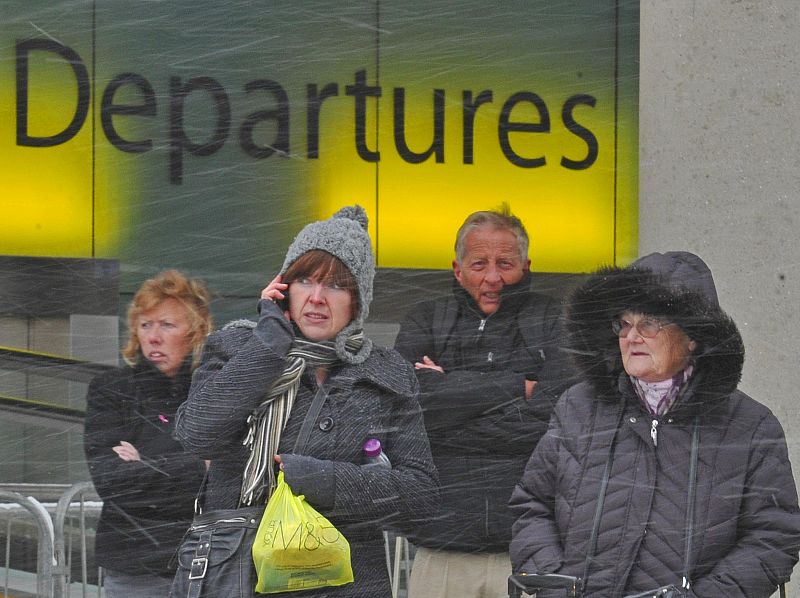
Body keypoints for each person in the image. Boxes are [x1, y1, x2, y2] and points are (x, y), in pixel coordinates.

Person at [173, 205, 438, 597]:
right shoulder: (238, 348)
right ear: (283, 288)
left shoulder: (386, 375)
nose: (316, 298)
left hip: (348, 582)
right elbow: (196, 433)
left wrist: (327, 481)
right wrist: (268, 343)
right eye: (304, 281)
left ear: (357, 302)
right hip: (241, 578)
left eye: (334, 285)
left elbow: (421, 495)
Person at [509, 251, 800, 597]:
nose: (631, 337)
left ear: (693, 336)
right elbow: (532, 505)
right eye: (624, 323)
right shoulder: (578, 407)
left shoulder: (750, 427)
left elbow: (774, 537)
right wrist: (556, 586)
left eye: (649, 323)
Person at [394, 206, 571, 598]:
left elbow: (558, 417)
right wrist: (518, 388)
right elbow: (410, 410)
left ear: (526, 266)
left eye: (505, 263)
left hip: (533, 549)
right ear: (458, 270)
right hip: (440, 548)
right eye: (480, 264)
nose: (493, 278)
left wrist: (452, 401)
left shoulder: (556, 320)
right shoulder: (426, 318)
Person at [83, 269, 212, 597]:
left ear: (194, 332)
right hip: (136, 568)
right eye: (145, 325)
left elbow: (230, 475)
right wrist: (198, 466)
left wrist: (146, 464)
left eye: (167, 325)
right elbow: (113, 483)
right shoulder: (112, 390)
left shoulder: (212, 392)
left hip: (210, 562)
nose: (153, 337)